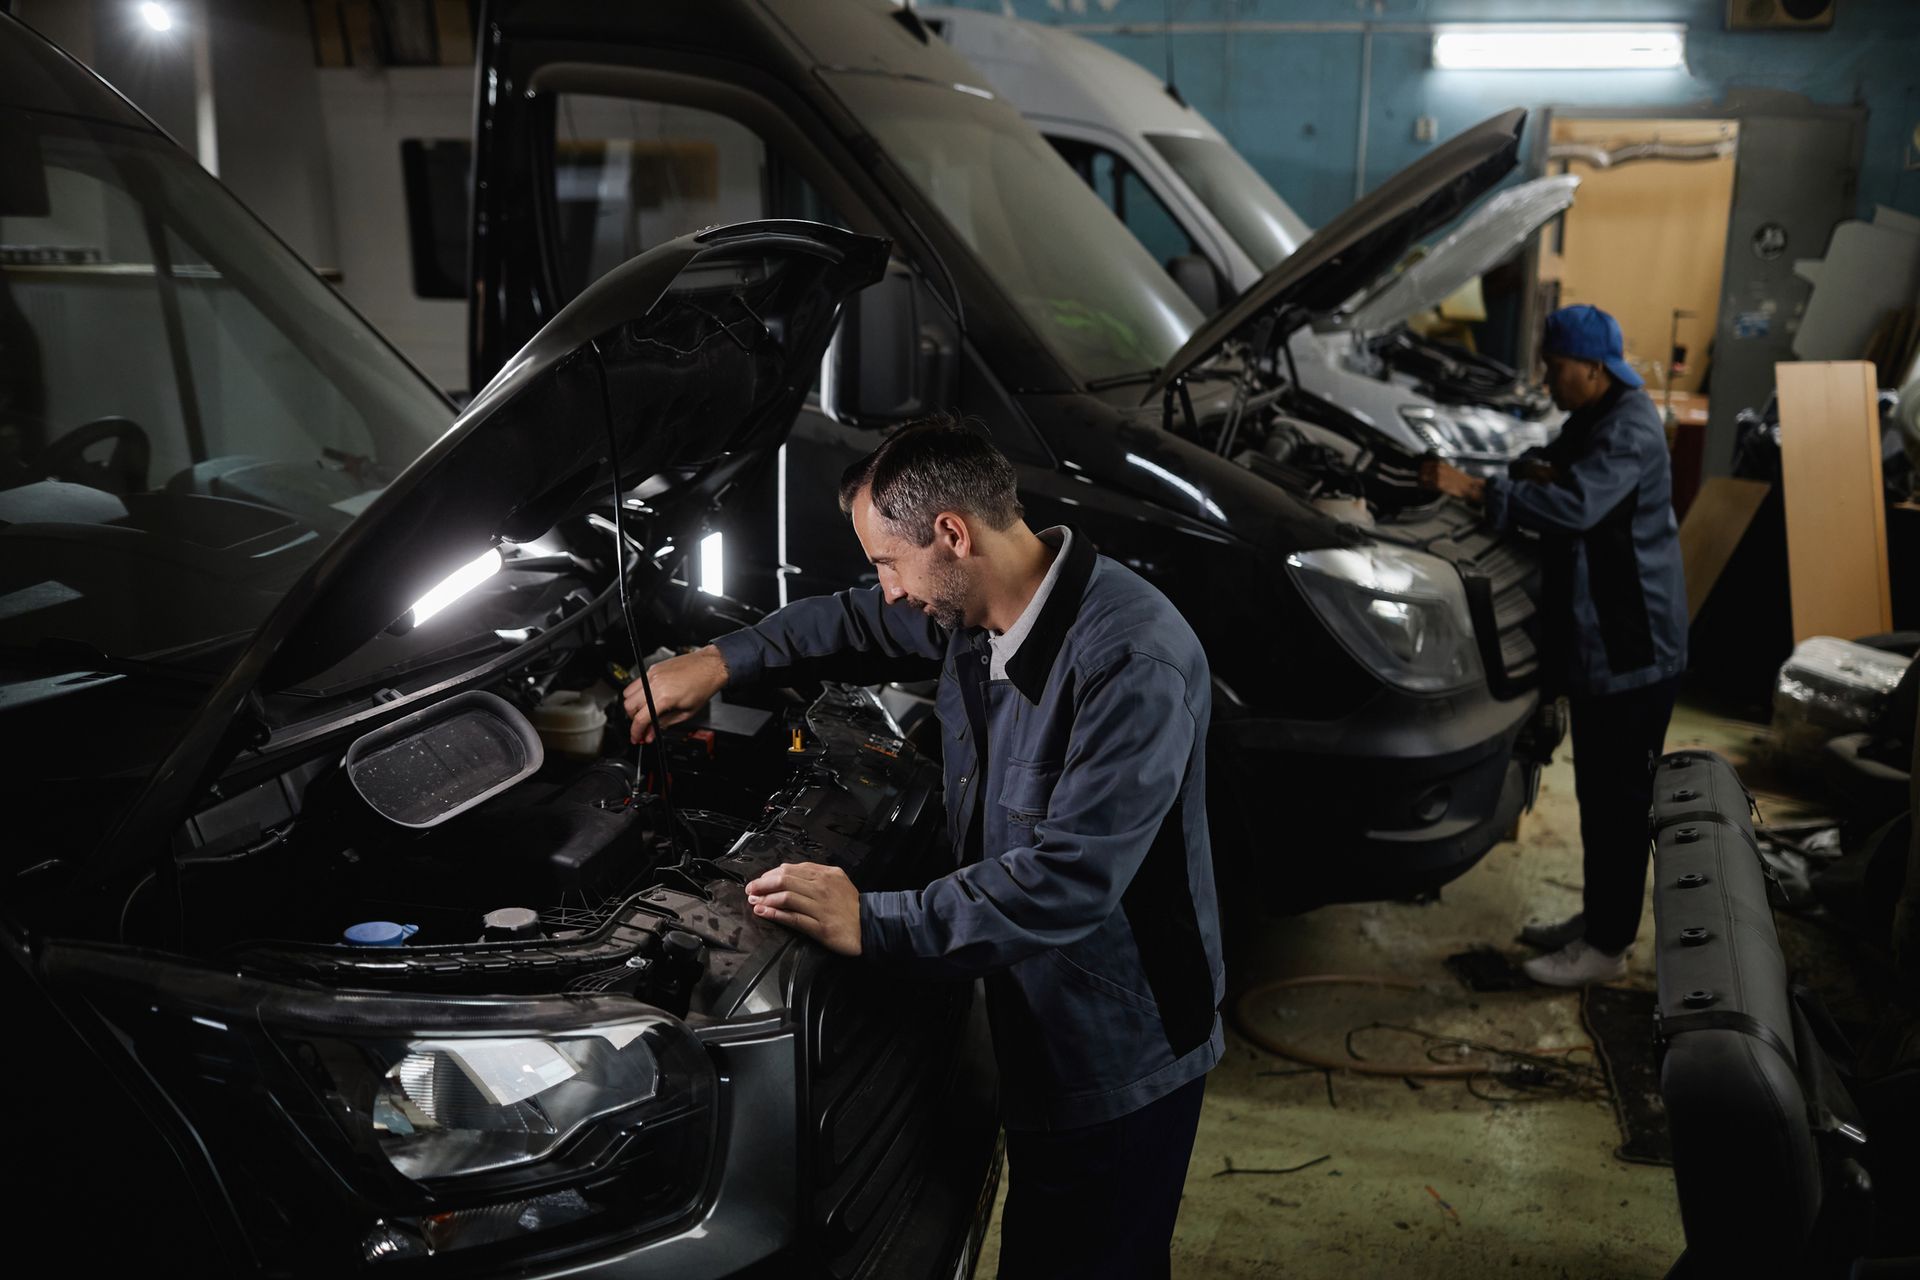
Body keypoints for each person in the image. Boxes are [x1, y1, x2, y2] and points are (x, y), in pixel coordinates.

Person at [623, 419, 1223, 1279]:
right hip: (1033, 1010)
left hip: (1117, 1046)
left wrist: (874, 920)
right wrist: (719, 660)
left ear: (952, 534)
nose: (890, 590)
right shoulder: (980, 611)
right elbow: (852, 621)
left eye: (887, 562)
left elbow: (1067, 882)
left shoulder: (1131, 662)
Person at [1421, 304, 1687, 987]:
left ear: (1592, 370)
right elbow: (1547, 461)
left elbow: (1574, 507)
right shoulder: (1596, 417)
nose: (1547, 380)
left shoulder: (1629, 429)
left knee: (1619, 802)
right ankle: (1602, 921)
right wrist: (1529, 470)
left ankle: (1607, 947)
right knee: (1600, 795)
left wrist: (1477, 489)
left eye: (1555, 368)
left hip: (1633, 651)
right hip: (1604, 648)